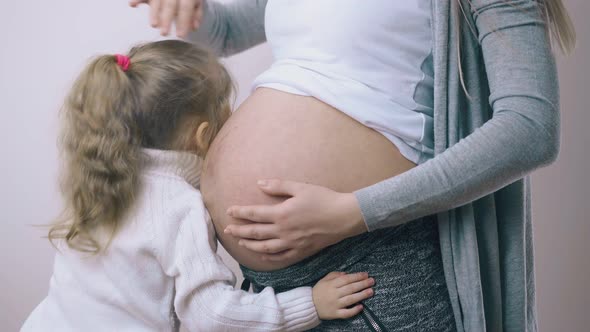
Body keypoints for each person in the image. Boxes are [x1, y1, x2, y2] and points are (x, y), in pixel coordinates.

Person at [133, 0, 575, 330]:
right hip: (274, 293)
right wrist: (186, 8)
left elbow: (529, 128)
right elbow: (226, 32)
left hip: (374, 264)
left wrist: (351, 213)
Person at [21, 40, 376, 332]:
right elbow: (213, 315)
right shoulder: (176, 204)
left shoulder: (99, 181)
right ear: (205, 137)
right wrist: (309, 304)